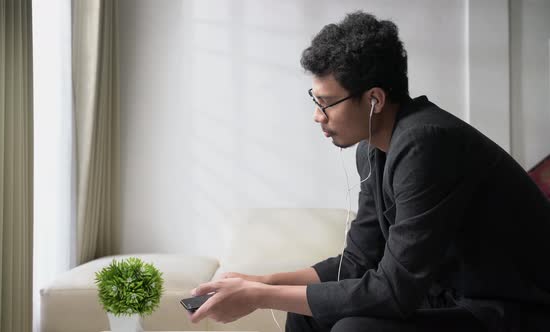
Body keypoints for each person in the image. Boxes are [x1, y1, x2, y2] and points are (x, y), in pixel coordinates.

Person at [188, 11, 550, 332]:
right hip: (450, 301)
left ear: (374, 99)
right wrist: (260, 282)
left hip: (505, 310)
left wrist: (260, 297)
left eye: (327, 103)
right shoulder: (375, 150)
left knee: (355, 328)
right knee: (307, 314)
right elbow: (357, 263)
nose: (318, 115)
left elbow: (394, 292)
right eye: (316, 101)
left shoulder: (427, 143)